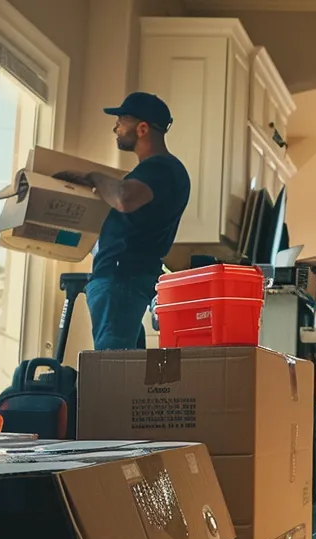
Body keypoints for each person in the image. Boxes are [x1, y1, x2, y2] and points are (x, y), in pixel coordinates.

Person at [55, 92, 192, 350]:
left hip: (120, 278)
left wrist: (94, 178)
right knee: (128, 376)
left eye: (121, 121)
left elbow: (124, 199)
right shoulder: (162, 172)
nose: (115, 127)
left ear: (142, 128)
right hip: (128, 279)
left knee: (110, 371)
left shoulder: (160, 168)